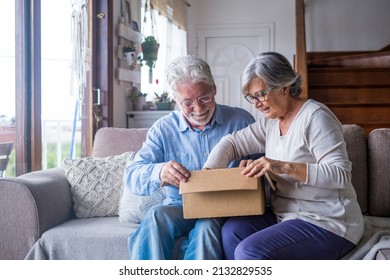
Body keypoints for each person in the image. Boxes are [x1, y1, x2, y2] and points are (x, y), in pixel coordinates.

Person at [202, 52, 364, 260]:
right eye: (252, 97)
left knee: (249, 251)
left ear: (285, 87)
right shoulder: (270, 121)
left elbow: (340, 174)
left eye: (261, 94)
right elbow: (231, 143)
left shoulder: (315, 117)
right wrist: (208, 174)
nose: (256, 104)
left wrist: (283, 166)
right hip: (285, 215)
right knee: (231, 232)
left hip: (328, 221)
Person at [124, 55, 255, 260]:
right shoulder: (163, 129)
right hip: (179, 206)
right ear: (176, 100)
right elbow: (132, 175)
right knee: (156, 217)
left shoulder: (241, 121)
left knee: (206, 227)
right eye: (188, 102)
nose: (199, 108)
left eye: (204, 98)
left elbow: (266, 171)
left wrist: (254, 166)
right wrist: (160, 172)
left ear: (214, 89)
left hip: (221, 208)